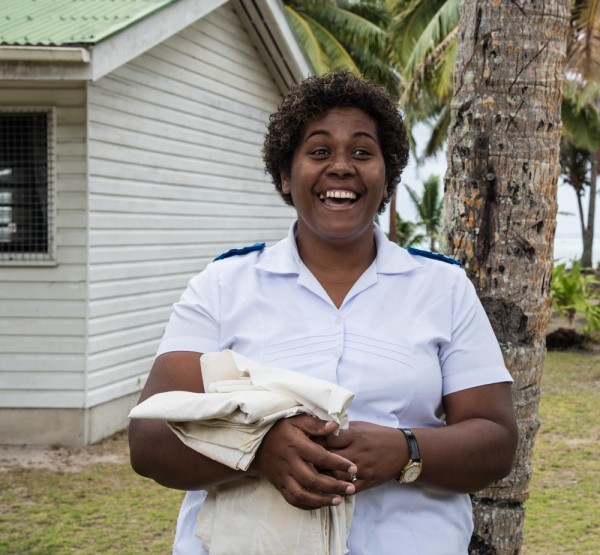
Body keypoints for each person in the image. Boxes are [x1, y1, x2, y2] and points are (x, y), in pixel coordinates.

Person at [128, 70, 518, 554]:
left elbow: (496, 440)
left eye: (361, 152)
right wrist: (255, 450)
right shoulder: (224, 286)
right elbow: (148, 438)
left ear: (387, 176)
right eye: (318, 151)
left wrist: (406, 450)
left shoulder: (442, 287)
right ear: (286, 176)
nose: (341, 167)